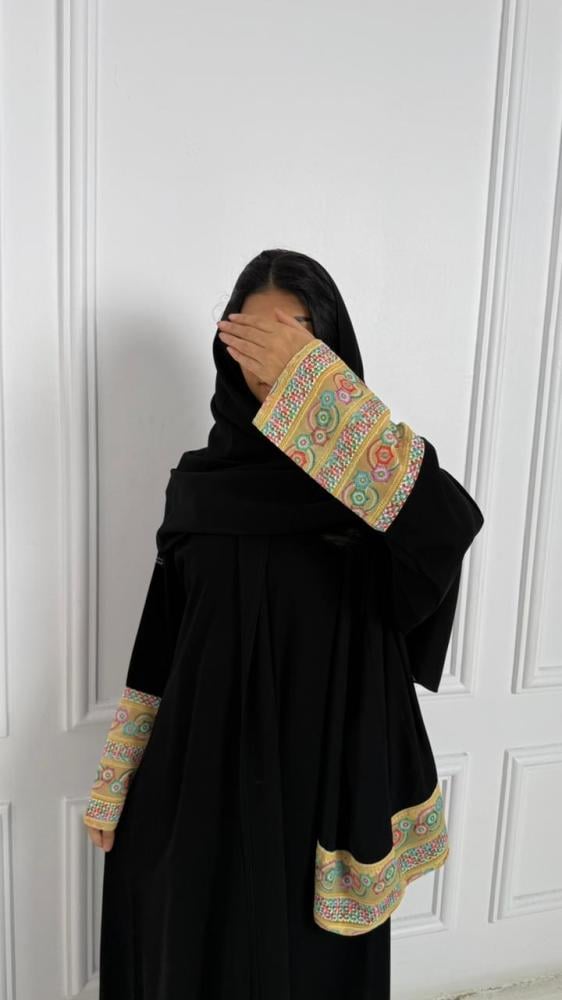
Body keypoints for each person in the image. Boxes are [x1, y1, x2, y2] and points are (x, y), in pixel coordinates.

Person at [83, 248, 484, 999]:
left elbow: (447, 526)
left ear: (328, 350)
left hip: (320, 787)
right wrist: (116, 780)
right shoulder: (200, 486)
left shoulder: (375, 484)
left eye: (295, 335)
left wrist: (312, 392)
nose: (270, 356)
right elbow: (163, 636)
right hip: (200, 781)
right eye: (253, 334)